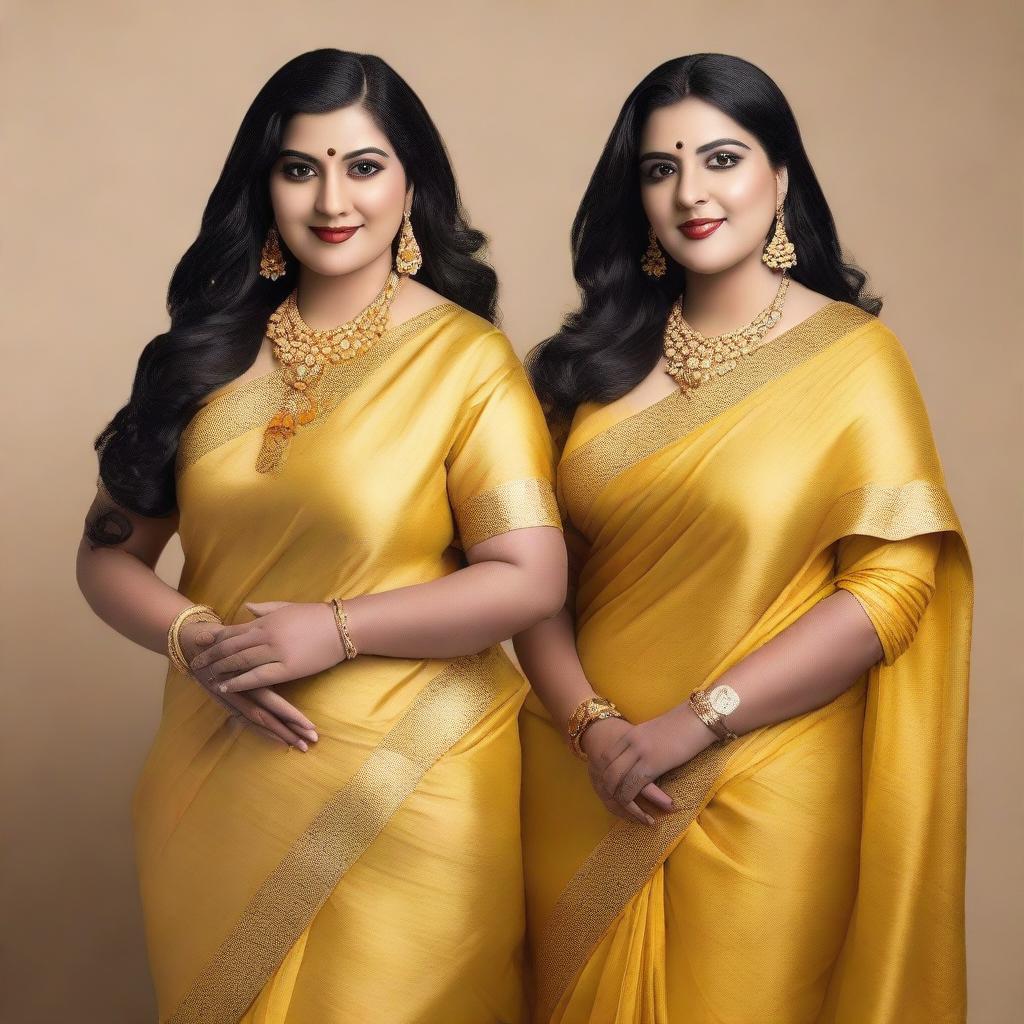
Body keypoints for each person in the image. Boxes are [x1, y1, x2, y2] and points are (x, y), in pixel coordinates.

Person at [77, 48, 565, 1023]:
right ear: (263, 188)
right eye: (300, 168)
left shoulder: (465, 361)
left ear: (411, 184)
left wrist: (333, 629)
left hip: (413, 778)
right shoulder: (200, 355)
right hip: (220, 774)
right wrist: (194, 639)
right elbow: (108, 554)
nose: (332, 197)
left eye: (363, 165)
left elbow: (529, 575)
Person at [515, 53, 971, 1024]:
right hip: (583, 779)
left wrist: (695, 721)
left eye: (721, 159)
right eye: (659, 169)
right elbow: (533, 580)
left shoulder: (851, 358)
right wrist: (592, 728)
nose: (691, 192)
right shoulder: (582, 370)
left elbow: (889, 586)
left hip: (765, 779)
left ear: (781, 181)